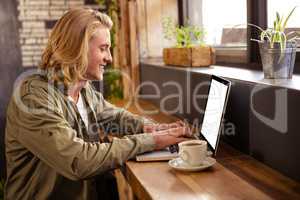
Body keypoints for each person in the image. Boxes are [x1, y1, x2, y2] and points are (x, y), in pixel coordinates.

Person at [4, 8, 190, 200]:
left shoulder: (82, 89)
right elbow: (79, 160)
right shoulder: (34, 98)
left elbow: (115, 118)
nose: (109, 58)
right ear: (78, 48)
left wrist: (152, 128)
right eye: (103, 48)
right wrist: (153, 141)